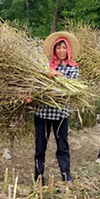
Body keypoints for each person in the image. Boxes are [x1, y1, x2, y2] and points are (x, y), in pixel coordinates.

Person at [24, 32, 80, 185]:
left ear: (68, 50)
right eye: (58, 48)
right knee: (40, 147)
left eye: (64, 48)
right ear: (54, 50)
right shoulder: (45, 67)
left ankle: (66, 176)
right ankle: (38, 177)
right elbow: (36, 86)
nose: (61, 51)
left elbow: (72, 88)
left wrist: (57, 75)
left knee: (63, 146)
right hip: (42, 112)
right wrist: (31, 97)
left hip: (61, 113)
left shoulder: (73, 68)